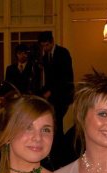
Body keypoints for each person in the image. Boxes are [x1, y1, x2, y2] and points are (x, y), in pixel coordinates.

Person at [37, 31, 74, 163]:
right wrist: (42, 92)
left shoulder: (63, 53)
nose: (45, 48)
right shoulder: (46, 57)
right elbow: (50, 80)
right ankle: (55, 154)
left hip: (63, 95)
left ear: (52, 41)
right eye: (43, 46)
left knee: (57, 124)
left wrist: (50, 92)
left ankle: (60, 156)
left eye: (47, 45)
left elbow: (65, 77)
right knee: (55, 124)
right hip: (54, 96)